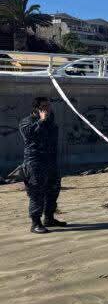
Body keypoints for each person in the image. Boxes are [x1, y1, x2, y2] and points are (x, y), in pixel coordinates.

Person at [19, 97, 66, 233]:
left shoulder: (51, 122)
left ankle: (49, 218)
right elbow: (29, 135)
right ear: (36, 109)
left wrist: (46, 121)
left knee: (53, 189)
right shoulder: (27, 122)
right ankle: (35, 223)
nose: (48, 109)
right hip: (35, 162)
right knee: (37, 192)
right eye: (44, 106)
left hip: (50, 161)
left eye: (48, 106)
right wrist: (41, 120)